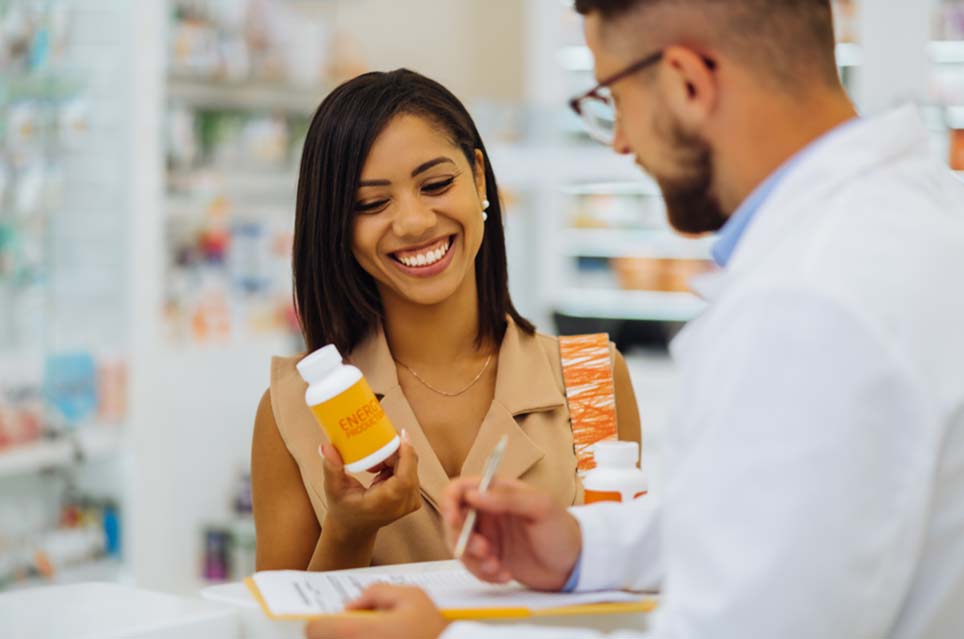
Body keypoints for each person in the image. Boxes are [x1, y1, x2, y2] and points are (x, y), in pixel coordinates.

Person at [304, 0, 964, 637]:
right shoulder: (909, 223)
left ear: (687, 82)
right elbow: (797, 525)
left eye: (612, 99)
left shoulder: (808, 303)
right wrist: (590, 547)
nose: (620, 141)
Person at [251, 69, 642, 573]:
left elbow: (623, 586)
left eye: (435, 184)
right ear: (336, 226)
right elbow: (280, 626)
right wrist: (350, 531)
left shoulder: (593, 378)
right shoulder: (292, 410)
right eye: (372, 203)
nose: (414, 222)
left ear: (479, 177)